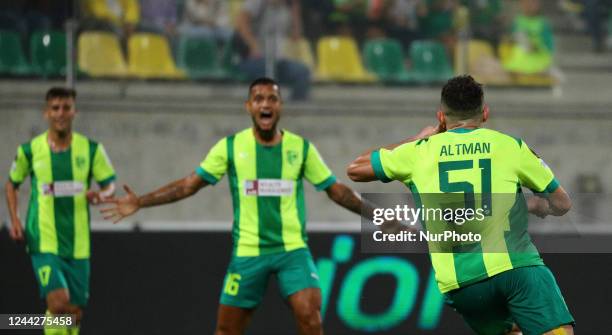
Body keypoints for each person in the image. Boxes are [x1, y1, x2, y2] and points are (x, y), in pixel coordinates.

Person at [100, 78, 371, 334]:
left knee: (310, 315)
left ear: (280, 106)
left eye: (272, 99)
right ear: (249, 106)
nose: (265, 104)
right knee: (227, 330)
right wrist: (141, 201)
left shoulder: (301, 148)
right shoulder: (230, 147)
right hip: (248, 252)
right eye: (258, 99)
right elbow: (188, 185)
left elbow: (337, 191)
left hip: (292, 250)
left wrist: (379, 215)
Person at [347, 75, 575, 335]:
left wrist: (417, 138)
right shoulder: (511, 146)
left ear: (441, 117)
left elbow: (355, 169)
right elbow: (563, 203)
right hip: (516, 267)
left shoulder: (419, 151)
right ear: (485, 113)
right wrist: (541, 207)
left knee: (511, 331)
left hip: (463, 283)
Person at [5, 87, 117, 335]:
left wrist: (101, 195)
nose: (61, 113)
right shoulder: (30, 150)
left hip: (78, 244)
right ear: (46, 113)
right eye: (55, 108)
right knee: (58, 303)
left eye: (66, 107)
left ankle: (21, 324)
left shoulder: (91, 150)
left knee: (73, 314)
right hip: (43, 238)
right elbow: (12, 184)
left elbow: (110, 185)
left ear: (74, 111)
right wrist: (15, 219)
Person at [235, 0, 312, 101]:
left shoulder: (287, 8)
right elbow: (241, 23)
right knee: (268, 71)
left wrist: (295, 10)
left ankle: (296, 106)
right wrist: (253, 45)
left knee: (302, 72)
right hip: (251, 58)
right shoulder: (256, 2)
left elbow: (296, 36)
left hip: (278, 60)